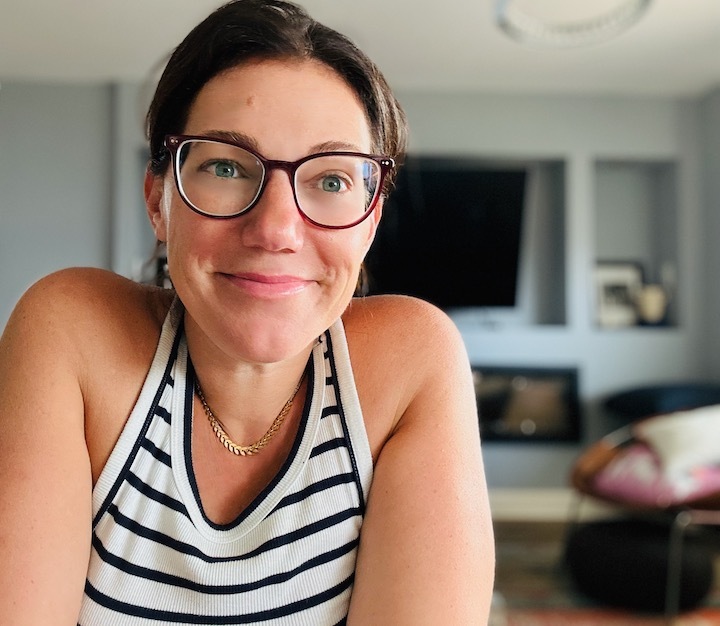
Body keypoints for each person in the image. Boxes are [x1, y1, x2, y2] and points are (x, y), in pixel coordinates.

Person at [0, 1, 495, 623]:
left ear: (370, 222)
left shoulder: (411, 363)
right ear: (158, 201)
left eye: (332, 180)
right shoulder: (72, 332)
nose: (276, 230)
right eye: (226, 167)